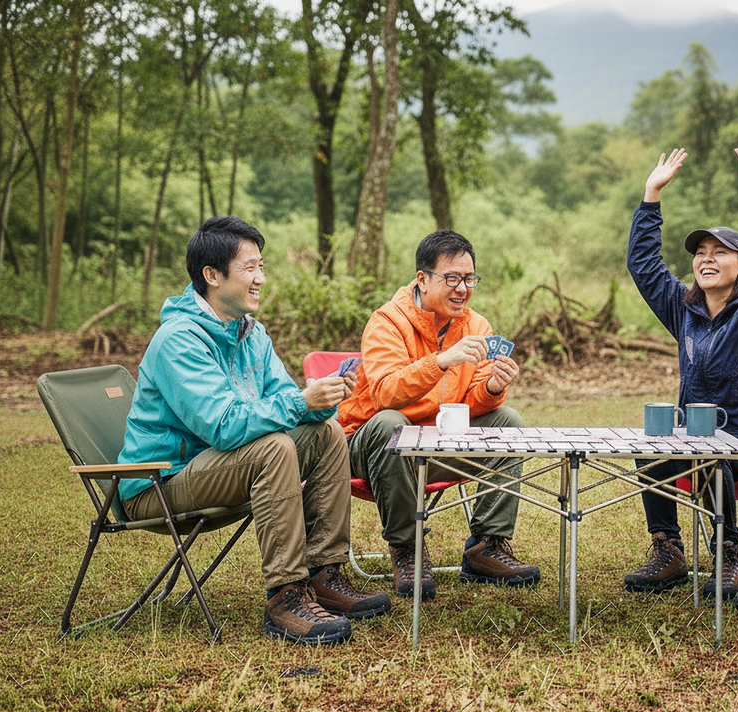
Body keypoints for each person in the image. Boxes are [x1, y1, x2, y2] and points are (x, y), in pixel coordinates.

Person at [118, 215, 390, 646]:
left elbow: (285, 401)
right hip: (161, 480)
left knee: (329, 434)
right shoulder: (178, 339)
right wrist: (300, 402)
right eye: (250, 268)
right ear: (212, 275)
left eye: (262, 266)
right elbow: (224, 427)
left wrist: (323, 399)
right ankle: (286, 595)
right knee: (274, 447)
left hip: (216, 467)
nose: (261, 278)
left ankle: (324, 575)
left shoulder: (250, 333)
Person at [624, 120, 738, 599]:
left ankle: (726, 554)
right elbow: (643, 266)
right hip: (698, 436)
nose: (706, 258)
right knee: (652, 448)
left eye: (720, 252)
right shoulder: (684, 309)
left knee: (711, 460)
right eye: (700, 251)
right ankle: (669, 550)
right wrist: (651, 197)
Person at [338, 229, 540, 600]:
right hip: (368, 448)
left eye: (469, 278)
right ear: (422, 279)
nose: (462, 288)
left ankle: (486, 546)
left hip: (435, 443)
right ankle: (407, 549)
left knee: (508, 420)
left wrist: (493, 388)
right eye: (451, 279)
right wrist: (440, 361)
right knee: (390, 424)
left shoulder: (477, 326)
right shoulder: (387, 321)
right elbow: (385, 394)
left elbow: (470, 403)